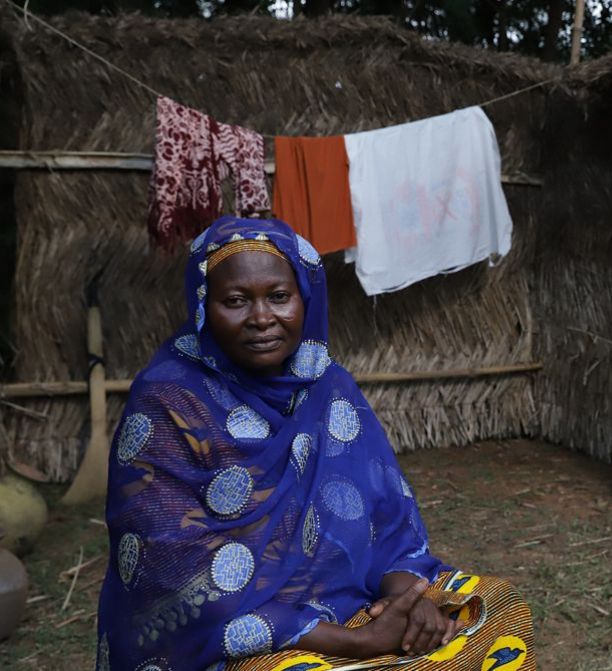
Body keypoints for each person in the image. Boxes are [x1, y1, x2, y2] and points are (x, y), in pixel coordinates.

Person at [95, 216, 534, 670]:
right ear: (204, 305)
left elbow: (387, 525)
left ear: (306, 298)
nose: (262, 318)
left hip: (349, 601)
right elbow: (175, 576)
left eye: (279, 297)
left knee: (497, 608)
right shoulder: (168, 401)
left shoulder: (326, 384)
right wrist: (358, 642)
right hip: (237, 633)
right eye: (235, 301)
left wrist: (411, 602)